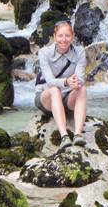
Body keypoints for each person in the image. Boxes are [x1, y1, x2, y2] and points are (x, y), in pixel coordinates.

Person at [34, 20, 87, 151]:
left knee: (82, 88)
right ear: (54, 36)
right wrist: (66, 82)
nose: (64, 40)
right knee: (54, 90)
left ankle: (78, 134)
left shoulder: (80, 52)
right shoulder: (44, 53)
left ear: (72, 36)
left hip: (68, 97)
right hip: (47, 97)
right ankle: (64, 136)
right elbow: (50, 81)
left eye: (67, 36)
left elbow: (80, 78)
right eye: (60, 36)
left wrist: (76, 83)